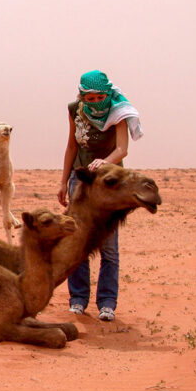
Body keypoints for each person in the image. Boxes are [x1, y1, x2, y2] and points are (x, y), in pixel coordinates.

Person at [57, 70, 143, 322]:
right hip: (80, 180)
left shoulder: (119, 112)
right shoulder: (75, 109)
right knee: (78, 241)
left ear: (107, 94)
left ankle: (107, 303)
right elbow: (72, 145)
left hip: (110, 183)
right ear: (81, 96)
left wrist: (103, 163)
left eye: (98, 98)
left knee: (109, 246)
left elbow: (122, 149)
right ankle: (78, 299)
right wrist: (63, 181)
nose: (94, 103)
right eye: (89, 98)